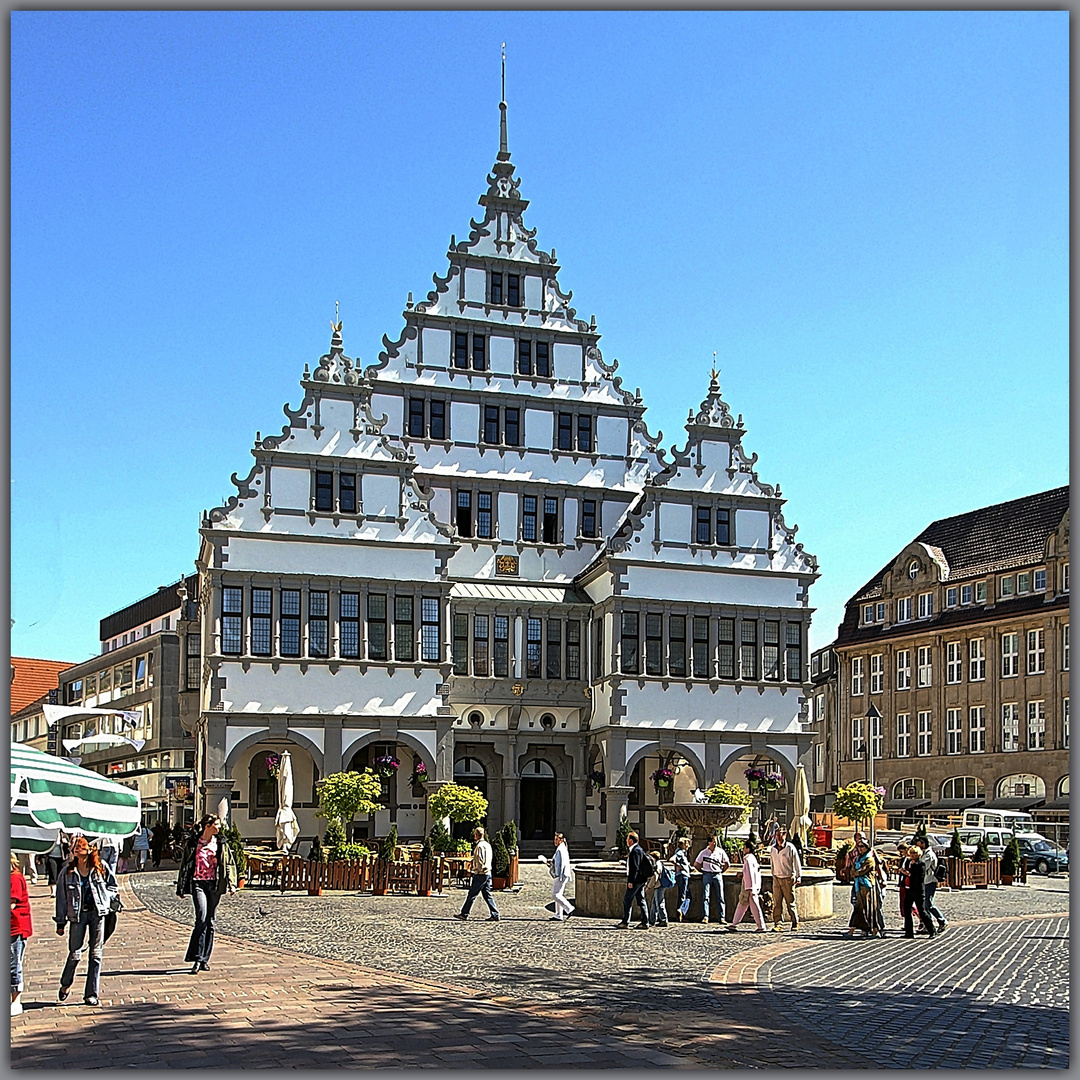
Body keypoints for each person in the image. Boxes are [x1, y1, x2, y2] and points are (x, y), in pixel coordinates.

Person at [54, 836, 119, 1006]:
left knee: (95, 954)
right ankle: (65, 984)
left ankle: (91, 994)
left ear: (89, 849)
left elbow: (113, 886)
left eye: (80, 846)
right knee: (75, 954)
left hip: (97, 914)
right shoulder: (67, 872)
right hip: (78, 916)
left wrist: (107, 898)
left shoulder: (100, 868)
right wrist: (60, 922)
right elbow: (61, 898)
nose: (76, 849)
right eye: (74, 846)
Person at [176, 814, 238, 974]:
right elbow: (184, 864)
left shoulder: (221, 843)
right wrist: (181, 887)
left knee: (210, 921)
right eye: (217, 824)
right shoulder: (193, 843)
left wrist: (232, 884)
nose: (220, 826)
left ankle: (204, 959)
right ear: (208, 826)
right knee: (201, 917)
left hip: (215, 885)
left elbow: (229, 863)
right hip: (198, 883)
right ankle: (196, 957)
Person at [453, 827, 500, 923]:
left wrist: (475, 869)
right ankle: (495, 914)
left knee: (472, 894)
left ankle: (464, 913)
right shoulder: (487, 845)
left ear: (476, 835)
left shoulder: (479, 846)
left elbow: (480, 860)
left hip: (481, 874)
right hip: (487, 872)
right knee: (487, 894)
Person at [846, 840, 885, 938]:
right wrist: (854, 872)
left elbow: (861, 871)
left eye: (862, 846)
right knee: (859, 908)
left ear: (867, 848)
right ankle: (854, 930)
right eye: (858, 846)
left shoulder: (870, 859)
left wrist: (856, 872)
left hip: (867, 886)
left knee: (870, 909)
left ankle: (875, 930)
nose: (860, 848)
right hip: (859, 886)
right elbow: (853, 871)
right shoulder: (858, 858)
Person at [615, 831, 653, 929]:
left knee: (627, 900)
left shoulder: (635, 851)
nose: (626, 841)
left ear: (631, 840)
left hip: (636, 880)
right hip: (641, 879)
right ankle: (645, 922)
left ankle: (625, 921)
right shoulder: (639, 850)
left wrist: (631, 881)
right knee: (641, 900)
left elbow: (635, 868)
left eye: (627, 839)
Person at [767, 826, 802, 931]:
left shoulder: (790, 847)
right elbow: (772, 863)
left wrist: (798, 876)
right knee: (777, 902)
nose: (778, 837)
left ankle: (795, 922)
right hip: (777, 878)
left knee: (790, 902)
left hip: (787, 878)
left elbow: (796, 862)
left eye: (780, 834)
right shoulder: (773, 849)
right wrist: (773, 873)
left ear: (785, 835)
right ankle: (778, 923)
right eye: (776, 835)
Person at [727, 840, 767, 932]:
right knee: (742, 904)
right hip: (751, 885)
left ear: (748, 849)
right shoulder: (752, 858)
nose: (743, 849)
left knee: (754, 906)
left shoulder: (748, 859)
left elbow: (750, 873)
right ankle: (734, 924)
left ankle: (761, 926)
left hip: (749, 886)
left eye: (744, 847)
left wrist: (750, 887)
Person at [11, 853, 33, 1016]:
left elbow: (11, 903)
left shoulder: (14, 878)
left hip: (15, 927)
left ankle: (15, 1001)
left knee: (13, 965)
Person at [694, 835, 731, 925]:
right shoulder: (704, 852)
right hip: (707, 874)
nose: (714, 844)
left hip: (717, 874)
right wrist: (702, 871)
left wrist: (722, 871)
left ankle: (722, 917)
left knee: (720, 896)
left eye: (715, 842)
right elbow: (696, 864)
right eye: (713, 842)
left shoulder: (720, 852)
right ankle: (705, 916)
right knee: (706, 896)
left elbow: (727, 863)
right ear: (709, 843)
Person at [916, 837, 947, 932]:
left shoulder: (929, 854)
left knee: (928, 904)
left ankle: (942, 921)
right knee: (925, 905)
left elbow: (923, 866)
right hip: (924, 881)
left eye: (918, 843)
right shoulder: (924, 853)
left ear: (923, 843)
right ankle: (928, 925)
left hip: (930, 881)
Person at [545, 833, 574, 922]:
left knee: (555, 895)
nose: (555, 841)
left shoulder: (561, 849)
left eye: (557, 839)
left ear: (561, 840)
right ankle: (558, 915)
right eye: (554, 839)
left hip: (561, 875)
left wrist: (558, 875)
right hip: (561, 874)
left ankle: (569, 908)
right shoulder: (561, 848)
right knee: (559, 894)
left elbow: (560, 864)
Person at [645, 850, 674, 927]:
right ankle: (652, 919)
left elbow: (655, 877)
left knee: (659, 902)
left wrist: (648, 887)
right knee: (655, 903)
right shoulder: (659, 863)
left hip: (659, 885)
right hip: (660, 885)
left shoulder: (657, 864)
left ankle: (663, 920)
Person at [672, 838, 693, 922]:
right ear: (683, 844)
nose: (688, 845)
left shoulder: (682, 853)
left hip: (682, 874)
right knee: (684, 895)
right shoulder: (680, 852)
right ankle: (681, 910)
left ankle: (681, 913)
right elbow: (671, 859)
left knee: (685, 895)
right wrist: (679, 865)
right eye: (687, 844)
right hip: (682, 875)